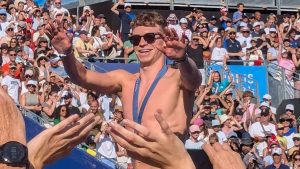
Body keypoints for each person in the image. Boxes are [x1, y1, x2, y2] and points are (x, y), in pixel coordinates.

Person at [52, 11, 201, 168]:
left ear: (165, 40)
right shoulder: (125, 80)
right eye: (135, 40)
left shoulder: (178, 77)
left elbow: (194, 80)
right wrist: (67, 53)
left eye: (150, 38)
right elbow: (83, 77)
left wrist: (182, 59)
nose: (142, 44)